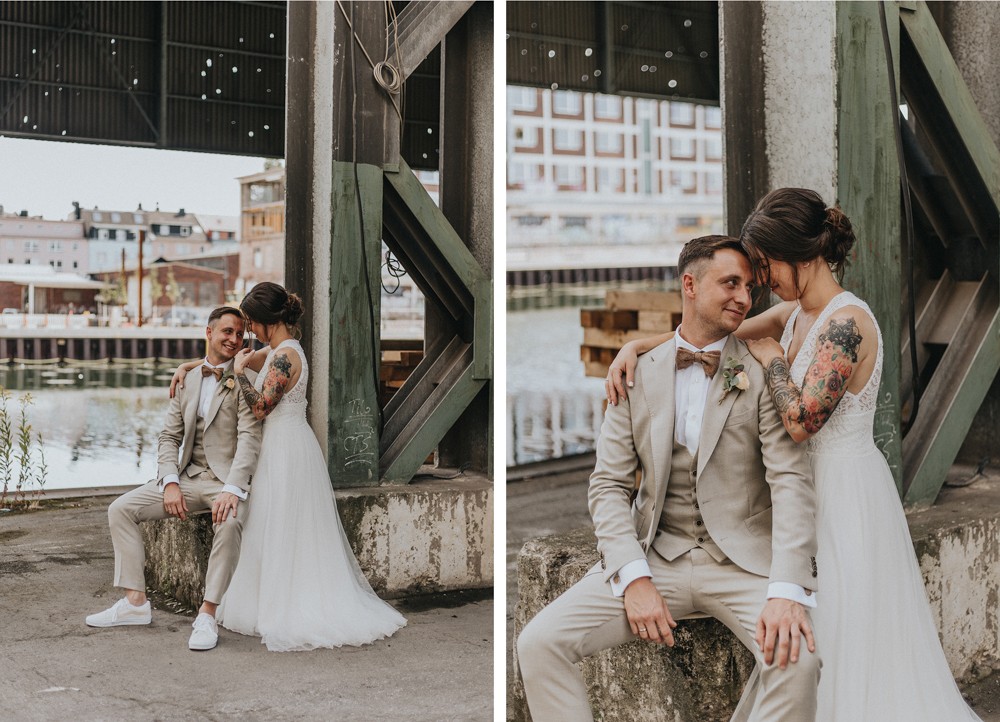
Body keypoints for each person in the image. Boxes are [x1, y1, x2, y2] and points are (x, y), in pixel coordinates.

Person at [607, 188, 980, 720]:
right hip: (801, 490)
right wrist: (636, 347)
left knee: (840, 623)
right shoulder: (796, 312)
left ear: (798, 254)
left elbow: (802, 423)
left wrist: (775, 361)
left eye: (764, 265)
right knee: (805, 627)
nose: (759, 281)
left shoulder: (847, 324)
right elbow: (712, 337)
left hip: (844, 492)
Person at [517, 235, 821, 721]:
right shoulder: (634, 373)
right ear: (690, 285)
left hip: (743, 564)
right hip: (656, 554)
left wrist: (786, 591)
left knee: (799, 661)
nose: (744, 297)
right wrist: (634, 576)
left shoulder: (762, 372)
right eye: (730, 283)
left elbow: (790, 483)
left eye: (749, 287)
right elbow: (608, 485)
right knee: (538, 643)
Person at [170, 282, 405, 651]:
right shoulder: (278, 349)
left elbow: (261, 407)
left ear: (268, 322)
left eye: (251, 323)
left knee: (283, 524)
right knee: (269, 524)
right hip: (277, 445)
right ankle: (267, 601)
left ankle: (292, 605)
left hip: (286, 448)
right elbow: (226, 362)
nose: (248, 331)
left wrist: (240, 374)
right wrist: (188, 366)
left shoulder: (285, 358)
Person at [86, 306, 263, 652]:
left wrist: (232, 489)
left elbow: (249, 439)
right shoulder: (188, 378)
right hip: (187, 477)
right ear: (209, 332)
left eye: (239, 334)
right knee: (120, 509)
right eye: (227, 331)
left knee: (229, 523)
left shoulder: (245, 379)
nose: (234, 339)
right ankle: (135, 603)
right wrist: (169, 482)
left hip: (224, 481)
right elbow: (169, 437)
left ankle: (207, 614)